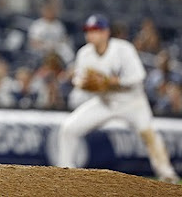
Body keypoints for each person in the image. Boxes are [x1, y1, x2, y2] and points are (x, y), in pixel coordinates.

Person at [56, 14, 180, 184]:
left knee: (149, 135)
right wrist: (82, 83)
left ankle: (167, 175)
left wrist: (112, 81)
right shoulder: (84, 53)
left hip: (132, 102)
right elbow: (78, 80)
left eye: (96, 30)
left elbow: (139, 76)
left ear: (106, 32)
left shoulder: (123, 49)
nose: (91, 34)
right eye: (89, 31)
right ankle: (65, 172)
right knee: (68, 128)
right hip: (104, 102)